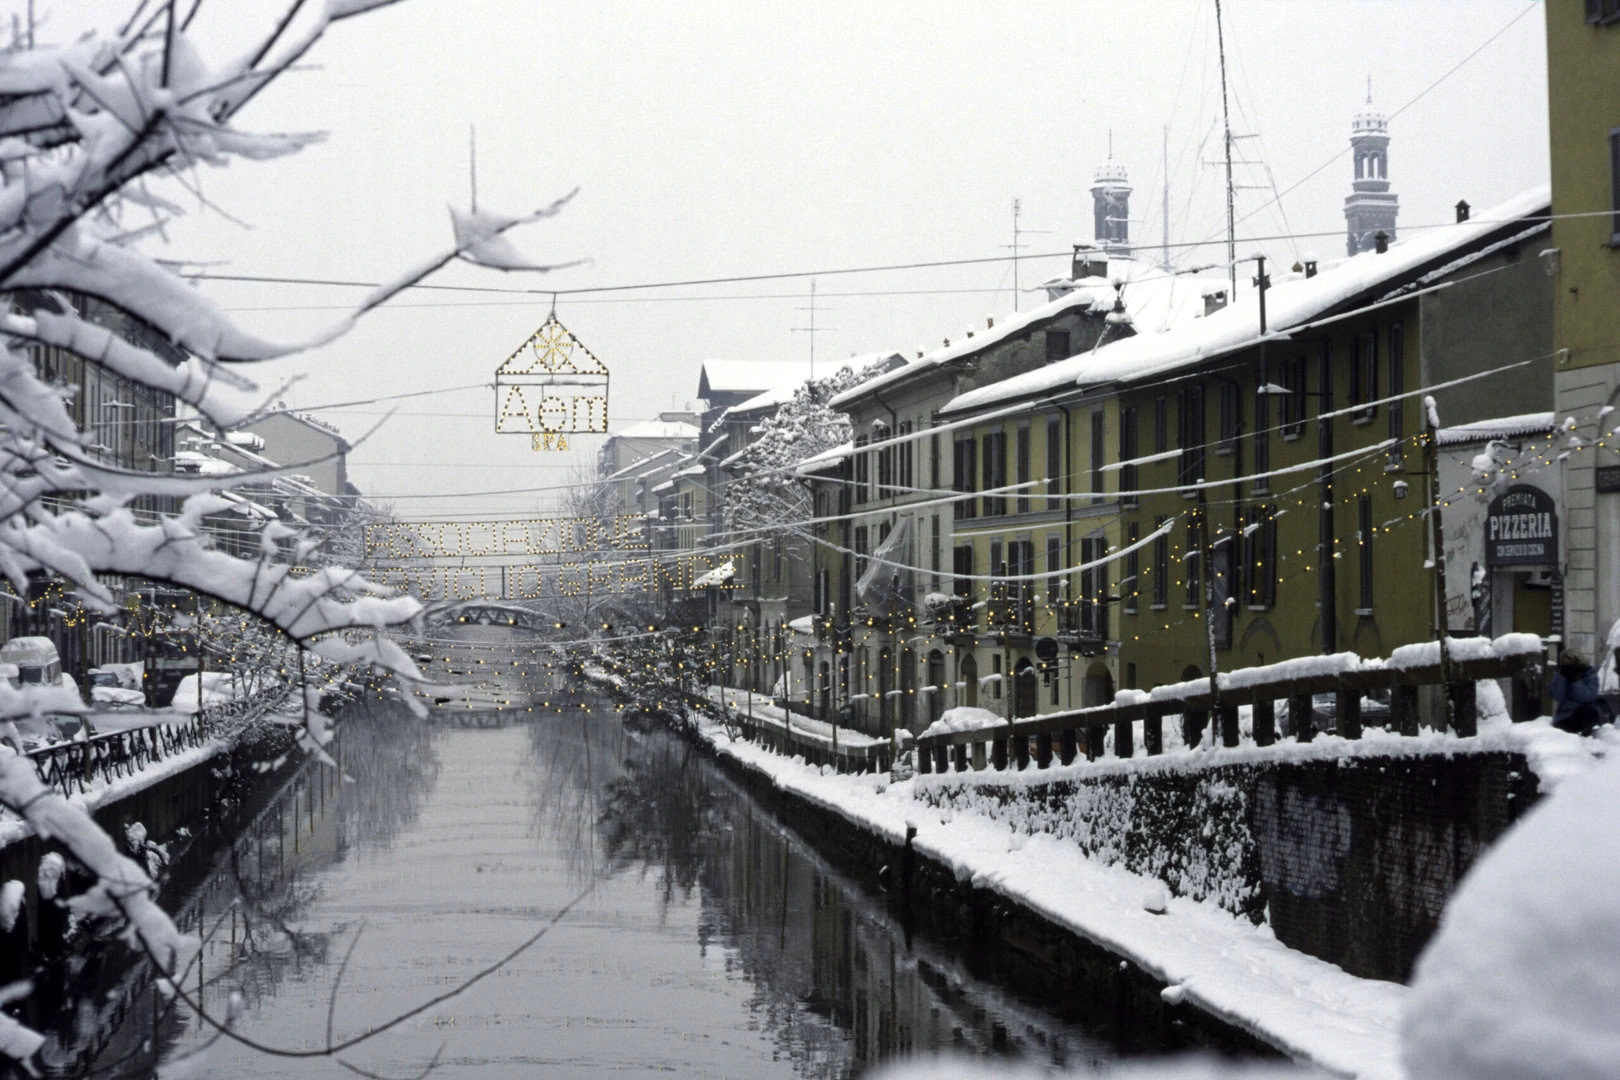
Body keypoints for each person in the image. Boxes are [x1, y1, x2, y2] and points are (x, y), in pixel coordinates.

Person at [1549, 649, 1603, 735]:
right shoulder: (1562, 674)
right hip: (1566, 715)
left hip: (1586, 713)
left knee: (1588, 711)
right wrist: (1562, 677)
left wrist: (1576, 680)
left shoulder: (1589, 674)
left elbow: (1588, 697)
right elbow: (1557, 696)